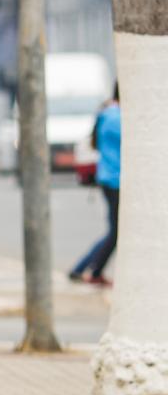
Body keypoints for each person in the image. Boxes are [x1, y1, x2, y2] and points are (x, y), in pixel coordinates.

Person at [70, 85, 120, 287]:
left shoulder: (106, 114)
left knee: (115, 230)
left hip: (107, 176)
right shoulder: (118, 117)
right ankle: (90, 269)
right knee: (116, 231)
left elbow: (95, 144)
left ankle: (82, 268)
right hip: (117, 179)